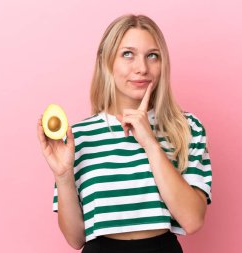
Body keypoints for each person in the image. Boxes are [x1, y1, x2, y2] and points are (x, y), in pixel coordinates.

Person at [37, 14, 212, 253]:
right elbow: (76, 239)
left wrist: (150, 143)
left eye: (153, 56)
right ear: (106, 61)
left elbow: (192, 220)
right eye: (128, 54)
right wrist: (63, 175)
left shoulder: (186, 128)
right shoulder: (78, 137)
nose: (142, 68)